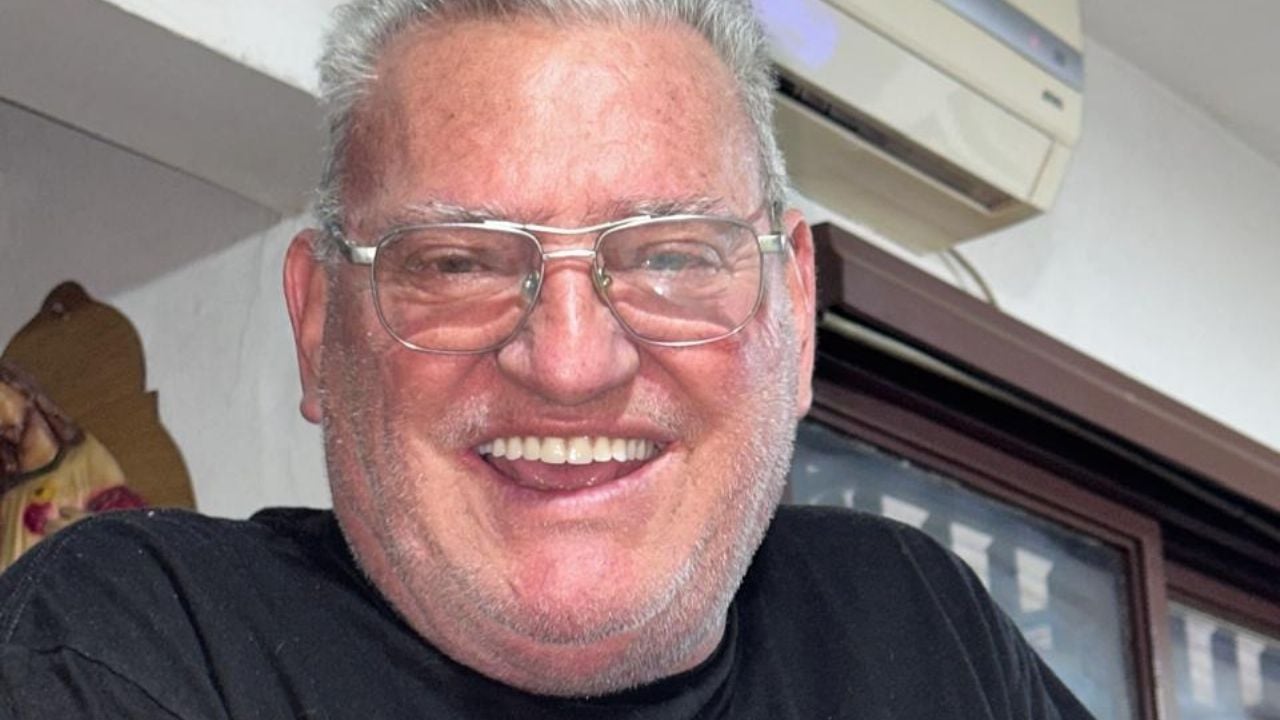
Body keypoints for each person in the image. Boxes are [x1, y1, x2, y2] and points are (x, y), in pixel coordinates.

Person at [0, 1, 1093, 717]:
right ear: (320, 326)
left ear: (796, 313)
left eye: (670, 254)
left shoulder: (923, 630)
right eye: (457, 262)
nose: (569, 363)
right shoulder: (133, 642)